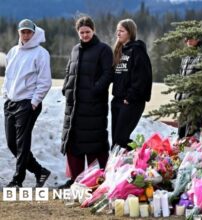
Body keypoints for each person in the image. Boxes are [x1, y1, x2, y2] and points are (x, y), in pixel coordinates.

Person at [60, 16, 113, 188]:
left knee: (93, 142)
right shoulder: (75, 50)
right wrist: (65, 88)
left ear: (93, 30)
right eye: (81, 32)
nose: (84, 35)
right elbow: (69, 71)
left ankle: (96, 180)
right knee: (74, 143)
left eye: (87, 32)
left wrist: (94, 90)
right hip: (74, 106)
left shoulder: (103, 49)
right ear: (78, 33)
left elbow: (108, 74)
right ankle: (75, 180)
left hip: (93, 106)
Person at [2, 19, 52, 187]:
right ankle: (40, 171)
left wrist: (34, 102)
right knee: (12, 143)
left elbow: (44, 81)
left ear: (34, 32)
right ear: (19, 33)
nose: (25, 34)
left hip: (27, 103)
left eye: (28, 32)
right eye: (22, 31)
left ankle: (17, 180)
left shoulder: (41, 53)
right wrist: (6, 96)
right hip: (11, 102)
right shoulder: (13, 51)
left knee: (22, 144)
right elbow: (8, 77)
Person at [111, 19, 152, 150]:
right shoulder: (119, 51)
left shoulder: (137, 51)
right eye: (117, 31)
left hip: (131, 101)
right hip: (117, 100)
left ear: (130, 32)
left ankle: (144, 155)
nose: (118, 34)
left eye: (121, 31)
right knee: (116, 142)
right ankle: (120, 166)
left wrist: (129, 97)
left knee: (120, 139)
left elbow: (142, 77)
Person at [175, 37, 202, 140]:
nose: (188, 40)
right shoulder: (186, 56)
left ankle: (191, 154)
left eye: (191, 38)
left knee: (191, 136)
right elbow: (182, 77)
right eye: (186, 38)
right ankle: (179, 154)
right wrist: (178, 95)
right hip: (184, 102)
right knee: (180, 134)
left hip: (195, 104)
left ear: (198, 39)